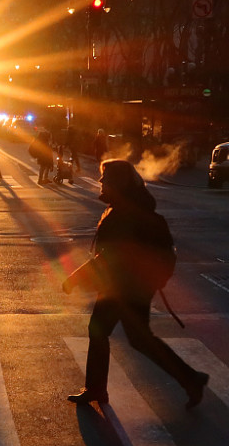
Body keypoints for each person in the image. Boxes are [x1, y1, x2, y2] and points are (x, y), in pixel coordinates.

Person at [63, 159, 209, 409]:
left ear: (118, 184)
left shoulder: (125, 214)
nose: (100, 183)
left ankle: (190, 379)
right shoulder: (126, 208)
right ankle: (190, 379)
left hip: (124, 288)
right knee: (133, 338)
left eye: (105, 179)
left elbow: (107, 258)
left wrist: (76, 278)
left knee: (105, 332)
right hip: (130, 287)